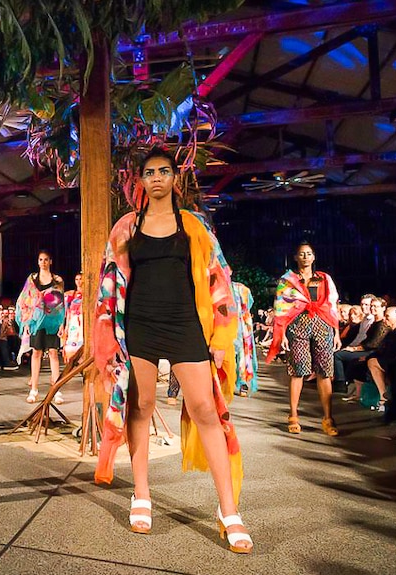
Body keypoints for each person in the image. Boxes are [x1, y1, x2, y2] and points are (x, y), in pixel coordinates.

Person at [93, 148, 252, 553]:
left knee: (205, 409)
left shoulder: (195, 227)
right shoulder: (126, 228)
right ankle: (141, 493)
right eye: (150, 172)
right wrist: (109, 337)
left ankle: (228, 508)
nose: (158, 178)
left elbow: (221, 282)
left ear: (175, 178)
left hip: (185, 325)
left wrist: (220, 338)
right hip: (141, 326)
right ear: (141, 181)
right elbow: (108, 286)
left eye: (165, 171)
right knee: (142, 405)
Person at [267, 242, 341, 436]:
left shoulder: (324, 278)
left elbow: (332, 305)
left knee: (325, 371)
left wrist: (337, 332)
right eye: (302, 254)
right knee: (297, 370)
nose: (306, 257)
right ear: (296, 257)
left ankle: (328, 418)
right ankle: (293, 415)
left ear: (314, 257)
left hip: (322, 324)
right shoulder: (288, 280)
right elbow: (281, 308)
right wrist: (281, 333)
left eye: (309, 254)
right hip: (297, 325)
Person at [16, 251, 65, 404]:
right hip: (36, 321)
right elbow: (25, 300)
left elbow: (61, 304)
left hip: (52, 321)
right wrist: (26, 323)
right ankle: (34, 389)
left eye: (46, 260)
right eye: (40, 259)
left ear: (51, 261)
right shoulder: (32, 279)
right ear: (38, 262)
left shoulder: (57, 280)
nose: (43, 262)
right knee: (36, 353)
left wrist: (62, 324)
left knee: (53, 353)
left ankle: (56, 390)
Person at [62, 272, 84, 363]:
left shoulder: (88, 294)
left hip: (83, 321)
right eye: (76, 279)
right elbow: (67, 311)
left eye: (80, 279)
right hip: (73, 322)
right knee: (71, 345)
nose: (79, 281)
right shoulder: (71, 294)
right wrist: (65, 326)